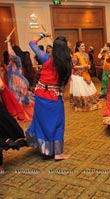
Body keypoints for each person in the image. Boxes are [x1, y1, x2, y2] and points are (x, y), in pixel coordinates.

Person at [26, 32, 72, 160]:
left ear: (54, 48)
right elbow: (66, 84)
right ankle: (57, 153)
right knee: (58, 123)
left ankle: (43, 148)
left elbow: (32, 43)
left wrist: (42, 35)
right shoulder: (68, 64)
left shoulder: (46, 59)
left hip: (41, 95)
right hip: (54, 97)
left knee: (41, 121)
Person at [5, 38, 34, 122]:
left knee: (20, 100)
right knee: (18, 100)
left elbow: (11, 54)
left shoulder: (17, 60)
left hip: (18, 83)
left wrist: (8, 43)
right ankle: (22, 115)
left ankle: (24, 116)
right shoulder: (12, 62)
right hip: (14, 83)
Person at [70, 41, 101, 111]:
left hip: (86, 74)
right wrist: (82, 67)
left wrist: (89, 66)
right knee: (81, 91)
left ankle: (91, 103)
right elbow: (73, 67)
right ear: (78, 47)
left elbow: (89, 63)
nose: (84, 47)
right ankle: (81, 105)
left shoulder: (86, 55)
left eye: (84, 46)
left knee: (90, 90)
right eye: (82, 46)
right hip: (78, 76)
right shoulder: (75, 55)